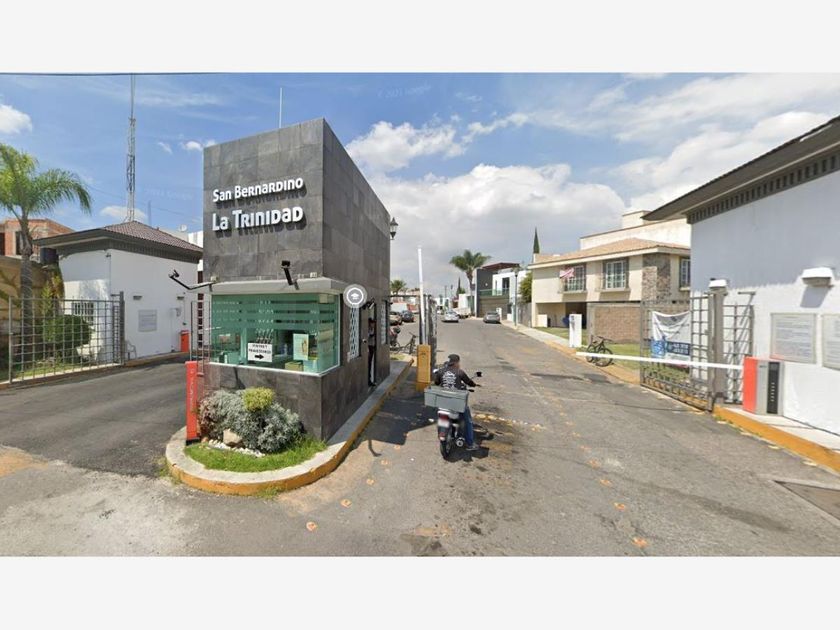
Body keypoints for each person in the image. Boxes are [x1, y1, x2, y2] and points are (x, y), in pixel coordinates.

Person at [434, 353, 480, 451]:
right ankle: (470, 444)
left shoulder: (441, 371)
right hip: (456, 402)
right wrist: (474, 384)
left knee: (441, 415)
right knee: (468, 420)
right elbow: (469, 382)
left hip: (443, 401)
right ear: (456, 362)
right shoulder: (460, 372)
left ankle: (444, 432)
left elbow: (436, 383)